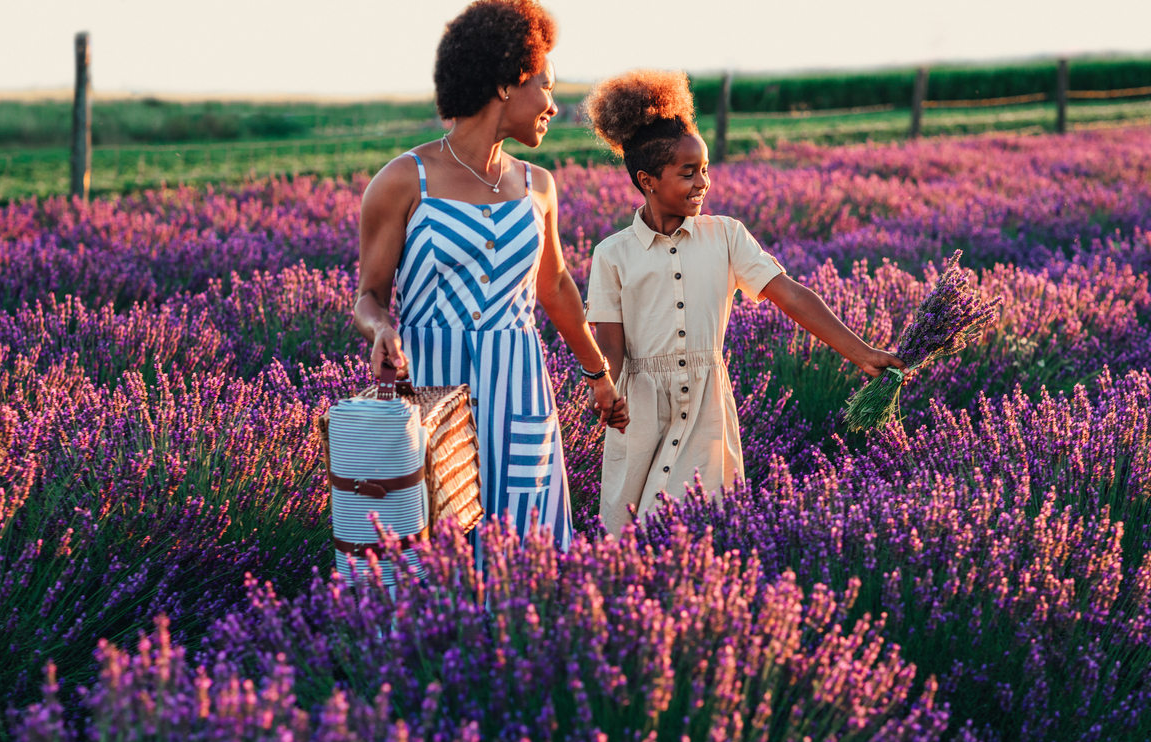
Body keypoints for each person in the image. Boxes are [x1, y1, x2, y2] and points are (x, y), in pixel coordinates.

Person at [354, 0, 627, 551]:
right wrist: (379, 329)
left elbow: (554, 289)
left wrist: (599, 377)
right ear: (506, 82)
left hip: (520, 393)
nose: (554, 104)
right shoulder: (405, 180)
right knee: (430, 556)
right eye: (545, 86)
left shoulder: (539, 185)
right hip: (433, 390)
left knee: (529, 555)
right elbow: (369, 296)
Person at [583, 70, 906, 532]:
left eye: (706, 169)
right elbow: (609, 343)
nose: (704, 183)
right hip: (640, 408)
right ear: (647, 180)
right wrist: (607, 389)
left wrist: (864, 353)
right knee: (629, 533)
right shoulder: (612, 254)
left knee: (685, 525)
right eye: (688, 173)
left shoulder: (727, 236)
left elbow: (791, 296)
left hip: (705, 410)